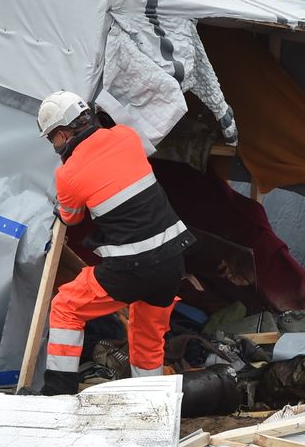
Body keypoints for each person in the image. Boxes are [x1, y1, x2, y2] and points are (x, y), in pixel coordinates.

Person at [37, 91, 194, 394]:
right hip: (173, 260)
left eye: (52, 139)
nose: (55, 146)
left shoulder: (67, 174)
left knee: (66, 307)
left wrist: (62, 206)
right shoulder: (126, 137)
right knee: (147, 338)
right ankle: (150, 405)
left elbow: (71, 218)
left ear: (63, 133)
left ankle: (57, 395)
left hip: (132, 266)